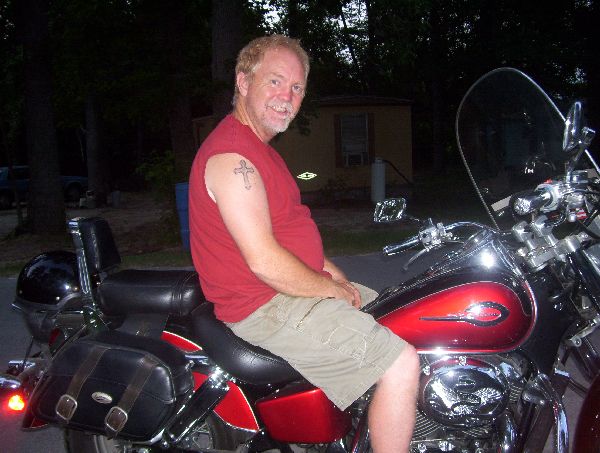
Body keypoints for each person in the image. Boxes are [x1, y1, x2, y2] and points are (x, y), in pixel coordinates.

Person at [189, 34, 419, 452]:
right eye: (275, 81)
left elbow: (288, 236)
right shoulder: (233, 158)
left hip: (289, 294)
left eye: (297, 87)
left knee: (410, 315)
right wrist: (330, 290)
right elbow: (264, 261)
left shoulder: (260, 149)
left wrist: (334, 275)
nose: (287, 97)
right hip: (266, 305)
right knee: (400, 364)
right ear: (243, 81)